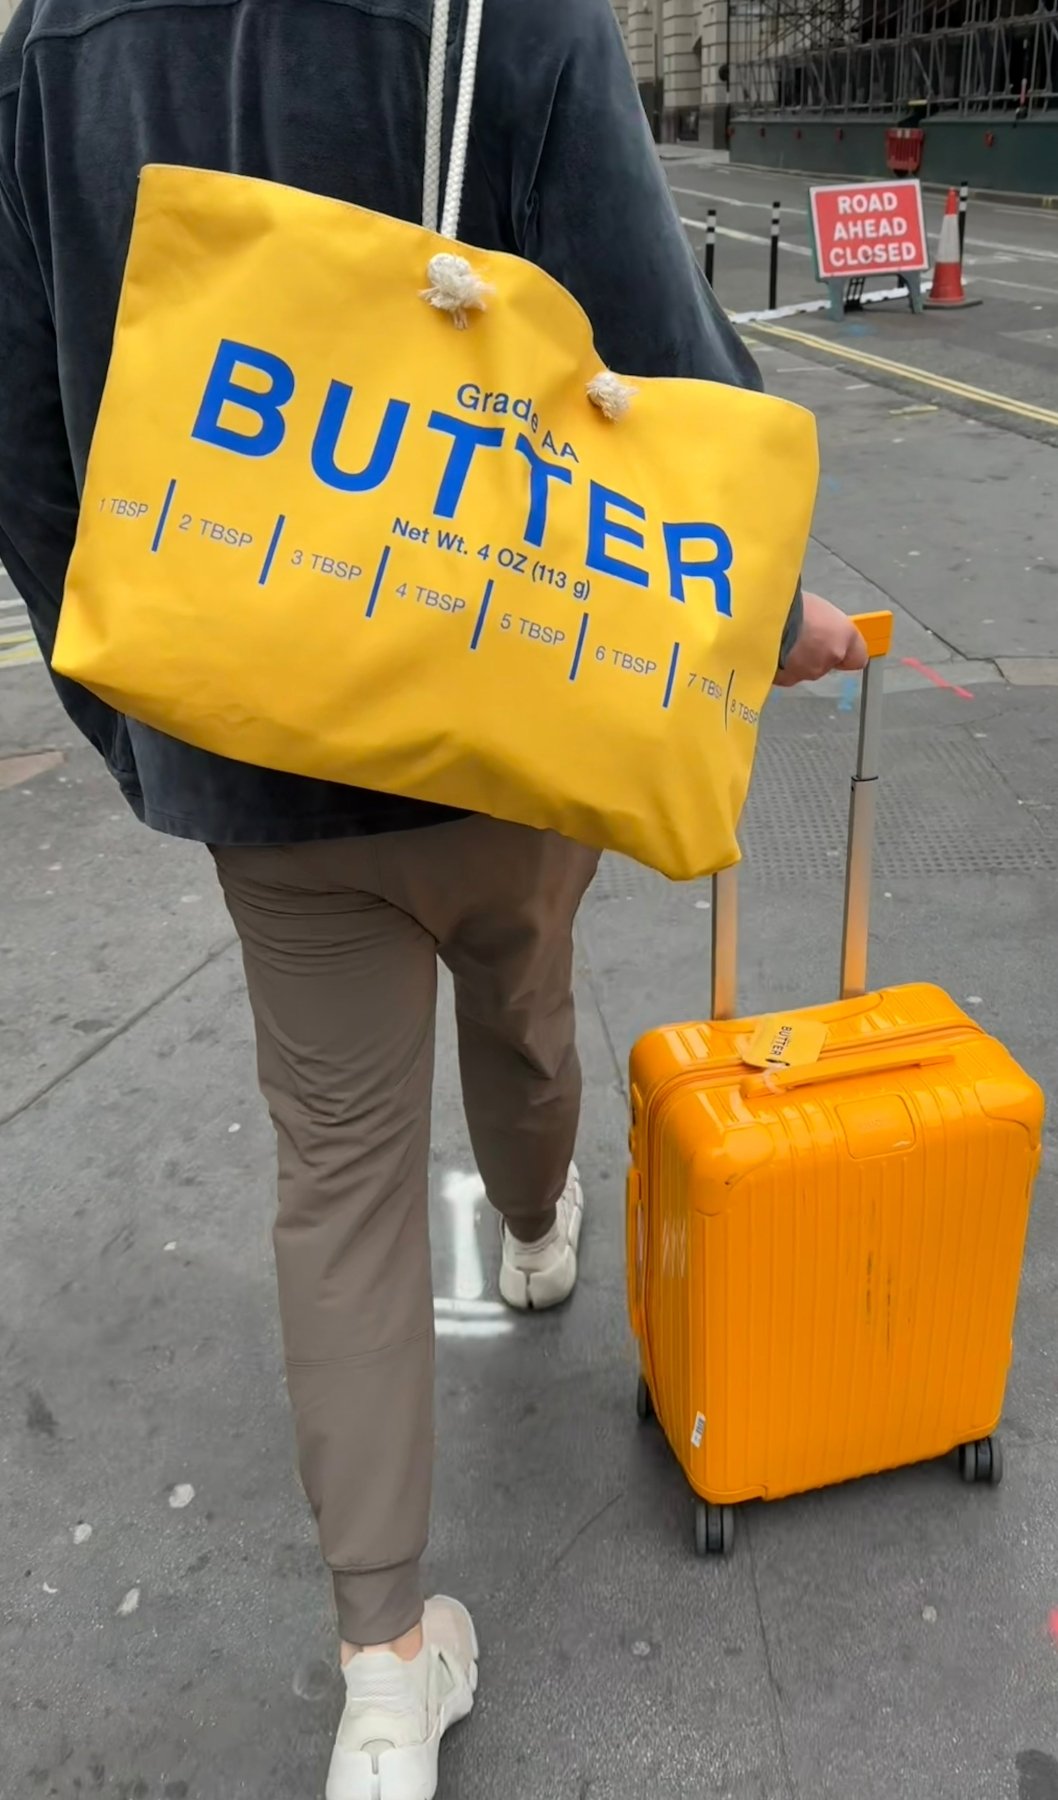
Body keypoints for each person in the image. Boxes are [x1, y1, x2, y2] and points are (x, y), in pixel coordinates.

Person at [0, 0, 866, 1793]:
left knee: (334, 1173)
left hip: (254, 723)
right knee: (524, 997)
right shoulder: (508, 17)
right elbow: (664, 345)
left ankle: (384, 1673)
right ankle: (542, 1233)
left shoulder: (51, 43)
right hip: (500, 691)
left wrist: (123, 710)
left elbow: (24, 415)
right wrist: (778, 618)